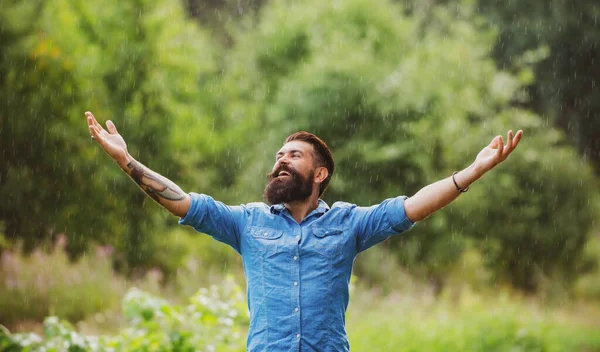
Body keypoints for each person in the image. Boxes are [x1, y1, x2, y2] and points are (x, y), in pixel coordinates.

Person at [85, 111, 523, 351]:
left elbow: (412, 207)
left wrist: (473, 170)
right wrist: (126, 160)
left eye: (293, 155)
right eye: (279, 154)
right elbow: (181, 201)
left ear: (319, 174)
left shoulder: (348, 223)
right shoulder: (246, 222)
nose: (280, 159)